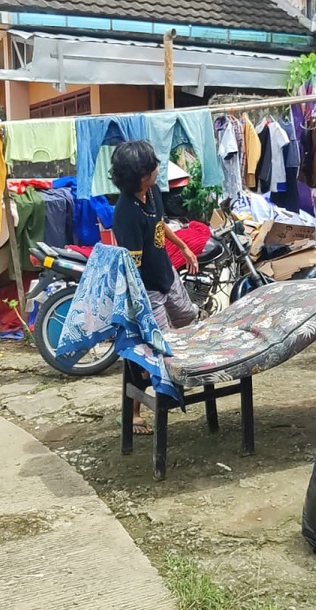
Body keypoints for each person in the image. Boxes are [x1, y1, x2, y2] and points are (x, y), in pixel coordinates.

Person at [110, 140, 199, 434]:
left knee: (189, 320)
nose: (159, 168)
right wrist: (140, 312)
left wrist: (183, 247)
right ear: (140, 174)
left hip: (166, 274)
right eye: (153, 166)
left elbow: (160, 226)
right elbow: (131, 268)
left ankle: (184, 379)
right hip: (146, 287)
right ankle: (138, 410)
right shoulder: (125, 213)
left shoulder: (153, 192)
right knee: (156, 347)